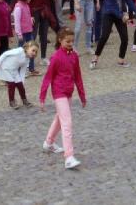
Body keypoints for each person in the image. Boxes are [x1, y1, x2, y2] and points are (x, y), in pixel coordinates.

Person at [39, 28, 86, 170]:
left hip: (68, 92)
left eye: (72, 41)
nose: (70, 43)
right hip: (59, 92)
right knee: (67, 122)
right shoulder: (55, 57)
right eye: (67, 41)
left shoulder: (74, 56)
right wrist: (42, 97)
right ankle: (69, 157)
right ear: (60, 40)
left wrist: (82, 95)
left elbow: (78, 76)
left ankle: (48, 142)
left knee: (60, 119)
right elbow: (47, 78)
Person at [91, 0, 136, 69]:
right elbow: (111, 7)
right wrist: (122, 16)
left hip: (120, 15)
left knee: (125, 38)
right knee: (104, 36)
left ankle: (121, 60)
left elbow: (127, 1)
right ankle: (95, 58)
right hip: (108, 15)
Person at [0, 42, 39, 109]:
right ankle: (12, 102)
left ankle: (24, 100)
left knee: (20, 85)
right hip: (5, 68)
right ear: (27, 48)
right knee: (12, 84)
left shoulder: (27, 59)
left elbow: (23, 71)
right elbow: (5, 54)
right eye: (33, 50)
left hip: (14, 71)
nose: (34, 53)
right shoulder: (19, 51)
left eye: (36, 52)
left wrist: (21, 82)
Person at [30, 0, 59, 65]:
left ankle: (43, 57)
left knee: (44, 35)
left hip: (45, 12)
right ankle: (30, 59)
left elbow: (49, 0)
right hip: (35, 12)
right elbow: (29, 2)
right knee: (33, 35)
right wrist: (30, 15)